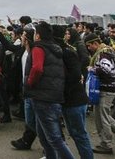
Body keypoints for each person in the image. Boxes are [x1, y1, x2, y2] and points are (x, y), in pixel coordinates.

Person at [25, 22, 74, 159]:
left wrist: (29, 82)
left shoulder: (38, 48)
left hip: (43, 96)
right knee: (44, 136)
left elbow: (37, 68)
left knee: (54, 139)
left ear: (38, 35)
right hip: (54, 95)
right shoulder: (55, 48)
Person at [85, 33, 115, 154]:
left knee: (103, 118)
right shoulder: (104, 52)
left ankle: (106, 144)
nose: (88, 48)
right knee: (103, 116)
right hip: (106, 89)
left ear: (95, 43)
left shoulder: (103, 54)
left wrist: (92, 69)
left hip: (106, 90)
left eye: (89, 45)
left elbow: (106, 69)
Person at [53, 25, 94, 159]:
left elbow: (76, 74)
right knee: (75, 132)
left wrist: (61, 85)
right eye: (66, 33)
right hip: (71, 99)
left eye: (68, 33)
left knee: (79, 134)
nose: (67, 35)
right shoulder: (63, 51)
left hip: (74, 99)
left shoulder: (67, 52)